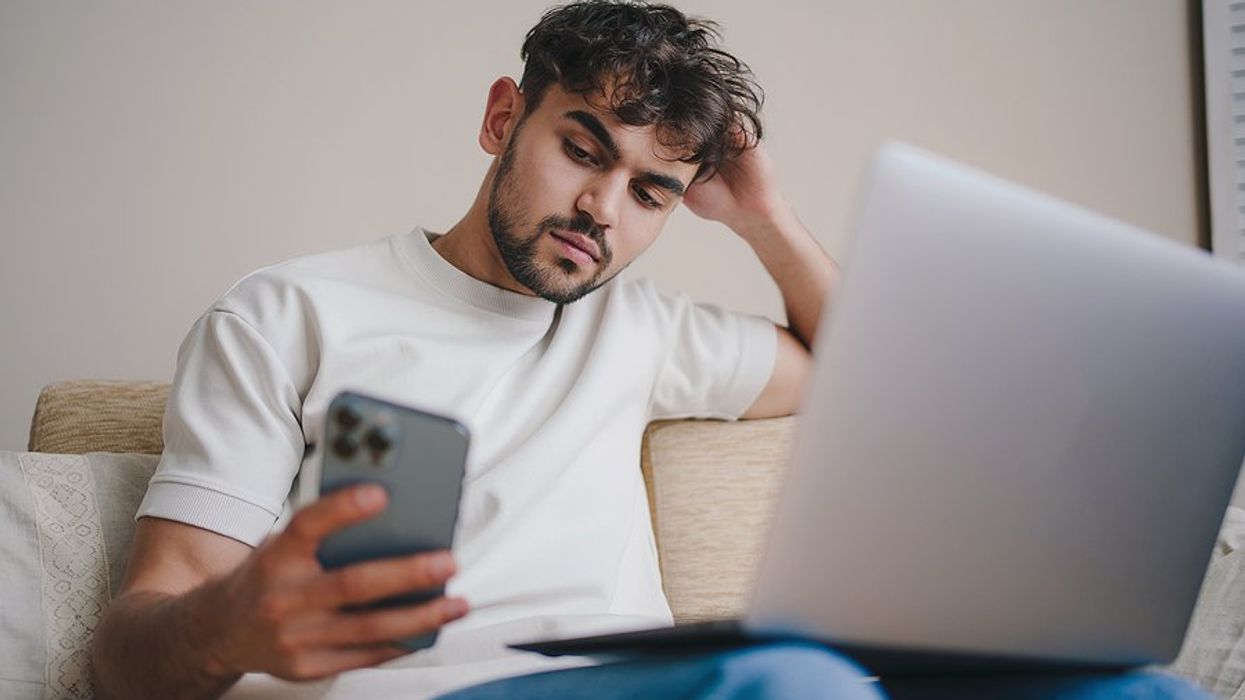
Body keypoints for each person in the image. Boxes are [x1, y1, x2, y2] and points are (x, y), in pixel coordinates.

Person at [90, 2, 1212, 699]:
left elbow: (868, 377)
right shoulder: (288, 313)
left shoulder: (642, 328)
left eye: (651, 191)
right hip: (442, 694)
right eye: (583, 150)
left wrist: (761, 216)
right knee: (794, 682)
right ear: (502, 119)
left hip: (649, 683)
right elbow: (130, 651)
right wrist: (233, 623)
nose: (602, 210)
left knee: (1132, 692)